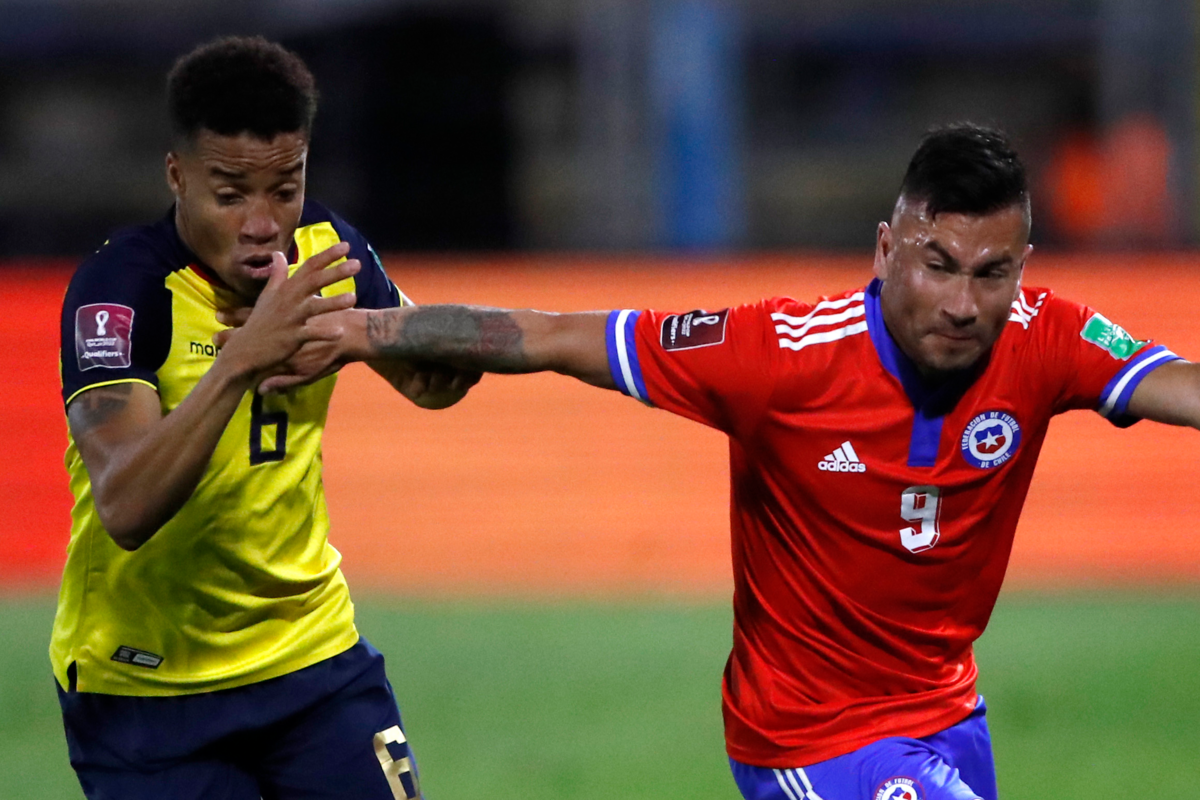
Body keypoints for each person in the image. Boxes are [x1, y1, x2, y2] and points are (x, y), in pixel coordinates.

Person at [243, 124, 1199, 800]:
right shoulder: (780, 352)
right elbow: (552, 334)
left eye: (993, 274)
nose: (962, 302)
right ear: (885, 250)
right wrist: (369, 326)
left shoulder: (1051, 338)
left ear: (1024, 271)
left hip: (947, 712)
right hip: (808, 736)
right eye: (937, 263)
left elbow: (1181, 386)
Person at [54, 36, 476, 799]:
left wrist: (367, 334)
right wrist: (243, 358)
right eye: (230, 194)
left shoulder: (328, 249)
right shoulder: (120, 292)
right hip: (147, 691)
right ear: (177, 175)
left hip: (311, 661)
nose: (262, 223)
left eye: (285, 188)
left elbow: (434, 387)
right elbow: (124, 503)